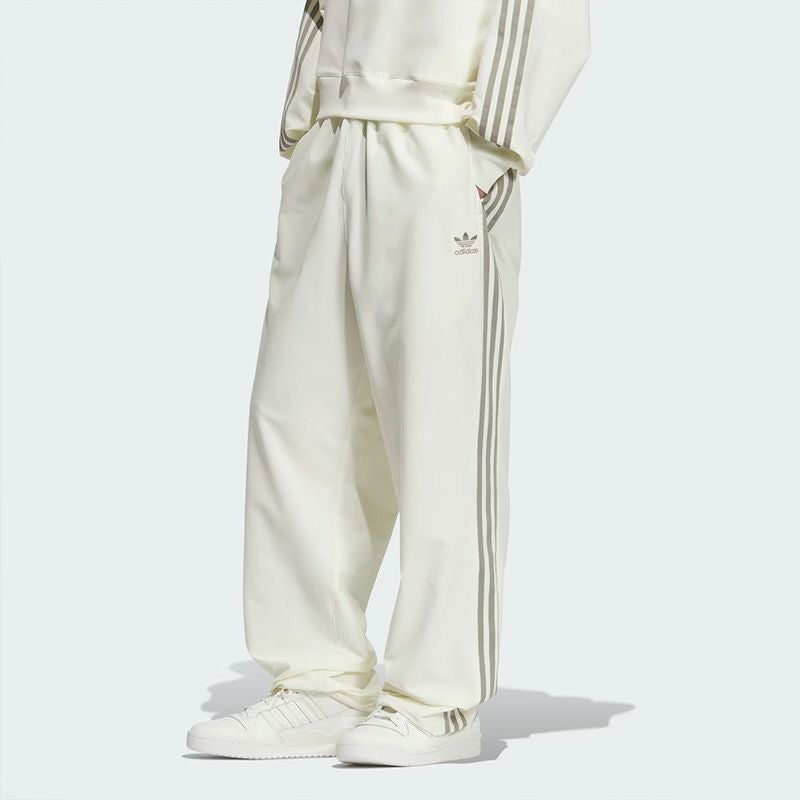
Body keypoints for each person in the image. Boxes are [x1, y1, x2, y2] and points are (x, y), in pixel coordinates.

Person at [187, 0, 590, 766]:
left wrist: (490, 149)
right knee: (298, 419)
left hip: (440, 139)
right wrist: (308, 122)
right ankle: (317, 678)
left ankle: (438, 698)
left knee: (442, 426)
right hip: (337, 136)